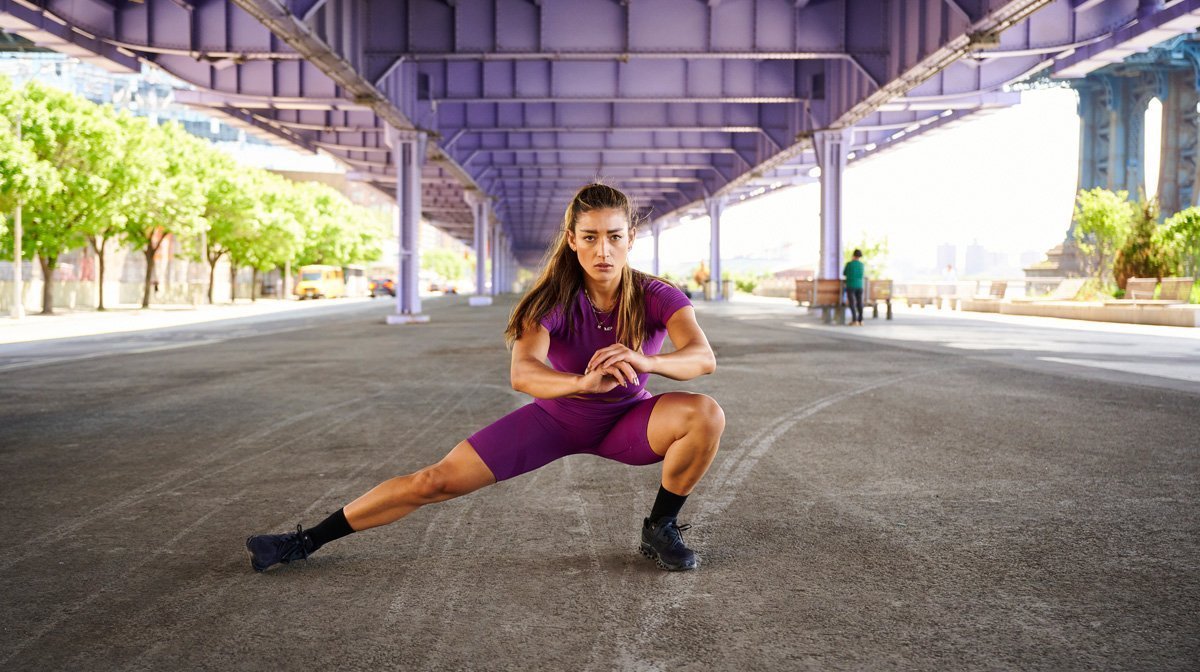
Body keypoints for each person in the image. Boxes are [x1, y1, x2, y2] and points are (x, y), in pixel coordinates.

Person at [245, 183, 725, 573]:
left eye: (615, 236)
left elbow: (701, 357)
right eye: (592, 236)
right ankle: (304, 541)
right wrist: (579, 383)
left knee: (704, 413)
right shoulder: (550, 300)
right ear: (573, 239)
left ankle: (660, 526)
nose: (604, 249)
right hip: (558, 419)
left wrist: (647, 361)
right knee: (432, 481)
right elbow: (523, 373)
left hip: (630, 419)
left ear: (630, 239)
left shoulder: (656, 294)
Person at [843, 249, 865, 326]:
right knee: (860, 303)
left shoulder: (849, 264)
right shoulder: (862, 265)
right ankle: (861, 320)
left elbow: (844, 273)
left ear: (853, 255)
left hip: (851, 285)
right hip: (860, 286)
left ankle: (854, 320)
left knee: (852, 303)